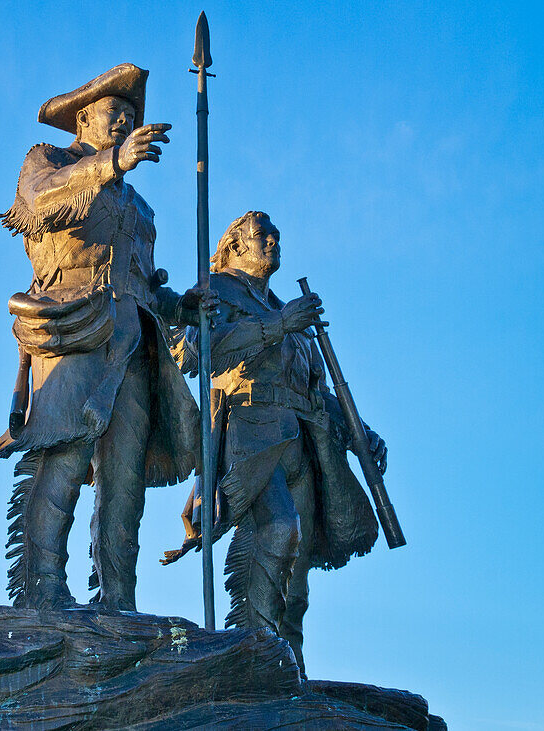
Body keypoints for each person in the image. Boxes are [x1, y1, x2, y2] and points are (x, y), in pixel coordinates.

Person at [0, 63, 216, 611]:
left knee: (124, 479)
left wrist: (180, 304)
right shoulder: (47, 161)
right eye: (115, 112)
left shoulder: (141, 209)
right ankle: (40, 591)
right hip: (71, 324)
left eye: (132, 117)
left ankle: (118, 598)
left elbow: (140, 282)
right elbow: (39, 205)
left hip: (134, 344)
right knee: (63, 453)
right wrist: (111, 163)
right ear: (84, 118)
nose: (124, 122)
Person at [162, 211, 386, 676]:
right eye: (262, 235)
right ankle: (257, 659)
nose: (274, 241)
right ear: (237, 245)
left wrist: (359, 428)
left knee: (298, 582)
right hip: (251, 435)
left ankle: (292, 670)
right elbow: (202, 353)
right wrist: (279, 323)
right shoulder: (218, 291)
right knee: (279, 530)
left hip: (302, 442)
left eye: (277, 235)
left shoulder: (292, 312)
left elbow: (317, 388)